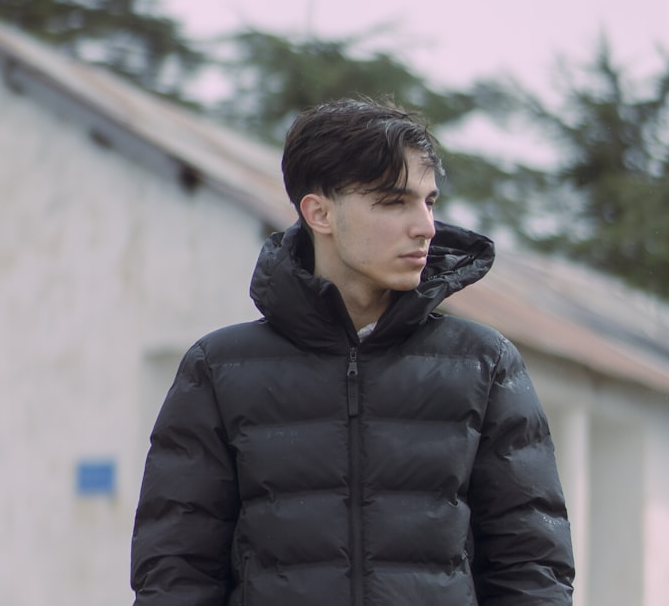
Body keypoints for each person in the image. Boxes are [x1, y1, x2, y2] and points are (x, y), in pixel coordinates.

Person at [130, 98, 575, 605]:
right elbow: (175, 575)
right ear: (319, 212)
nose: (425, 226)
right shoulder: (218, 370)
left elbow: (531, 571)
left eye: (429, 202)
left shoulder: (484, 364)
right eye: (394, 202)